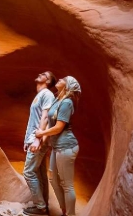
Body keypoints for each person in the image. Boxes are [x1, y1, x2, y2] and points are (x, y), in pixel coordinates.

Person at [35, 76, 81, 216]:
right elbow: (50, 121)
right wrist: (42, 138)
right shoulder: (57, 99)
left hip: (66, 146)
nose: (60, 79)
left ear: (67, 86)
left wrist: (41, 133)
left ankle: (70, 214)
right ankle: (64, 209)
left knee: (67, 185)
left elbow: (59, 128)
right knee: (53, 179)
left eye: (64, 79)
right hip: (57, 147)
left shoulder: (66, 102)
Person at [22, 71, 57, 216]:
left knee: (28, 172)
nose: (39, 74)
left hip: (39, 139)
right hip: (35, 137)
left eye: (44, 74)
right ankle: (44, 206)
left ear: (48, 81)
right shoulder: (40, 95)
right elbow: (33, 120)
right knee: (39, 173)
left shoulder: (47, 94)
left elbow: (45, 117)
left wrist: (38, 139)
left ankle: (40, 207)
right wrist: (27, 139)